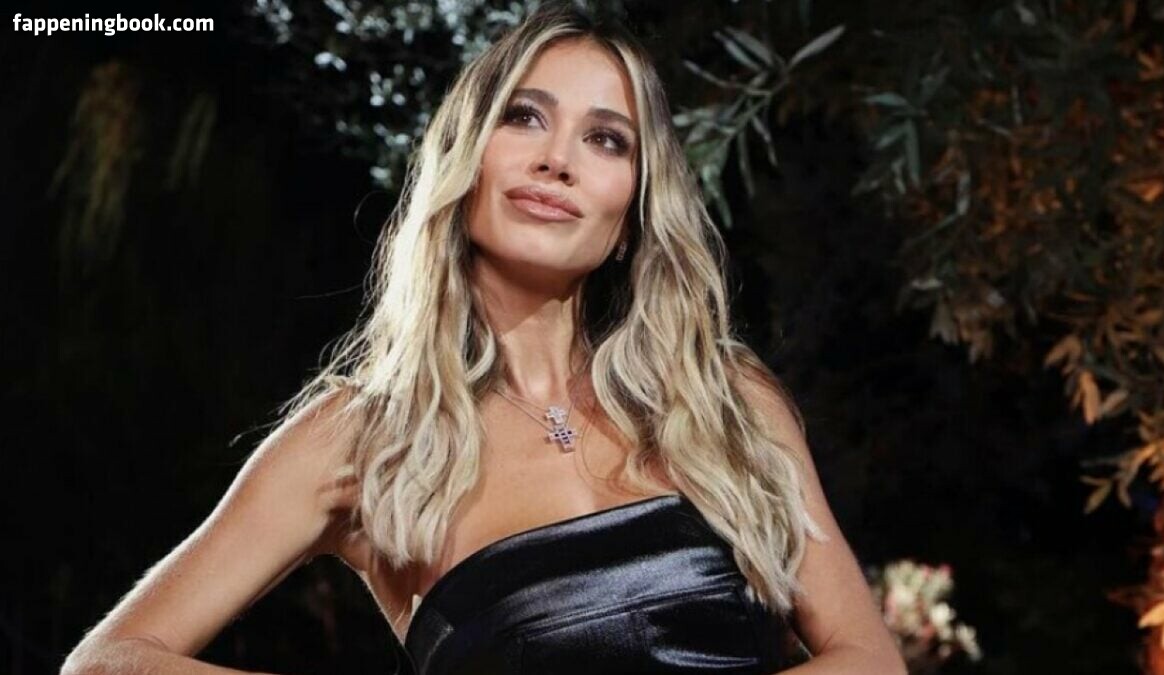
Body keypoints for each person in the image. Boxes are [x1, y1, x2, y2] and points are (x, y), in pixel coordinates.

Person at [62, 2, 906, 674]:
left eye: (606, 138)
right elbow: (107, 661)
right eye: (525, 117)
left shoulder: (726, 401)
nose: (558, 160)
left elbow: (868, 658)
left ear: (631, 217)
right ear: (465, 161)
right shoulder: (364, 437)